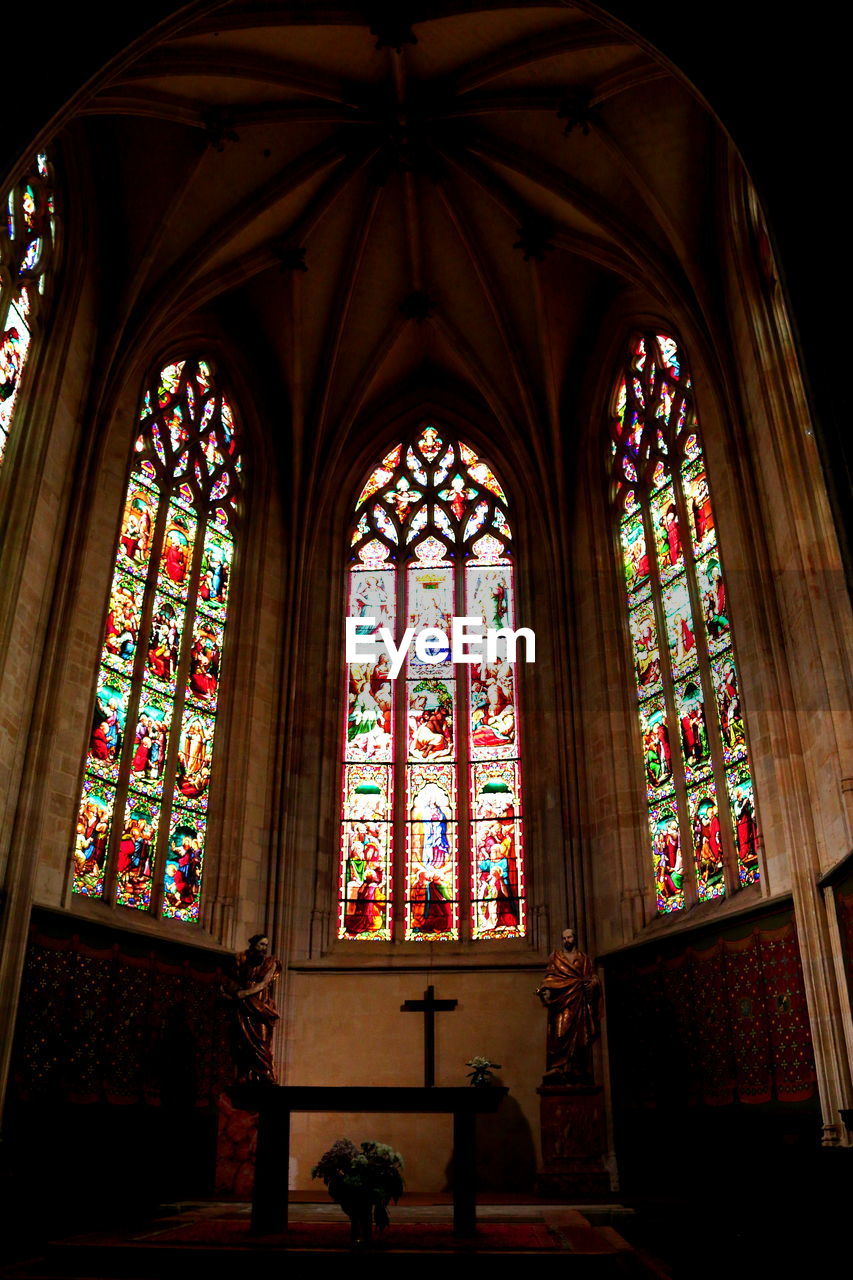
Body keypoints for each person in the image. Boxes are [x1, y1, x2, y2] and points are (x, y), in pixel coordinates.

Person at [536, 926, 601, 1084]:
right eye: (564, 938)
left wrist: (592, 984)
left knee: (580, 1036)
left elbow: (592, 977)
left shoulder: (584, 958)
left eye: (569, 937)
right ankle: (558, 1067)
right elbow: (550, 976)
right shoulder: (556, 957)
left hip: (579, 1000)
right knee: (559, 1033)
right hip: (561, 1001)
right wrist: (545, 989)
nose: (566, 941)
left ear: (575, 938)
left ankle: (576, 1068)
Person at [225, 934, 283, 1084]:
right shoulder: (243, 959)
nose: (264, 948)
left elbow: (264, 983)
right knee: (243, 1041)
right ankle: (246, 1073)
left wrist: (243, 994)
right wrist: (235, 993)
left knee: (261, 1040)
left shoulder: (271, 962)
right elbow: (233, 979)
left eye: (266, 945)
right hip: (244, 1005)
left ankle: (265, 1073)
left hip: (260, 1003)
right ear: (253, 945)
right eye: (261, 944)